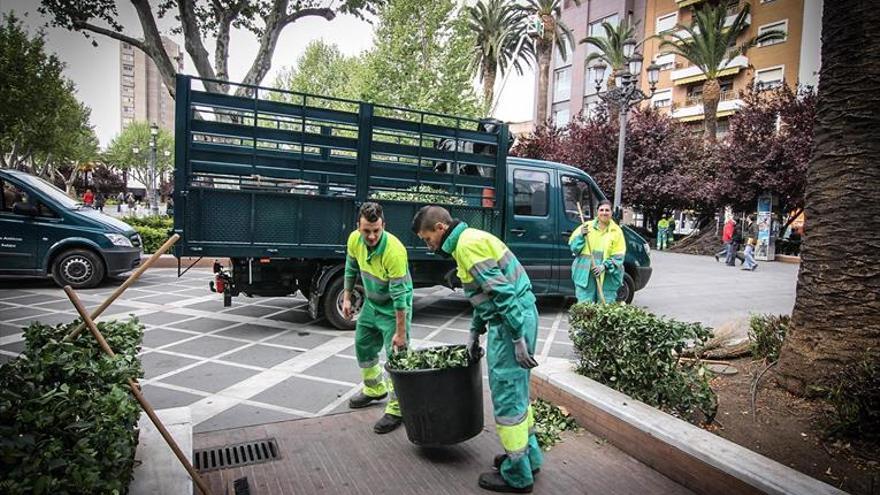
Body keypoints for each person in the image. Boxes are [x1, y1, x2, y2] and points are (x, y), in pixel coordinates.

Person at [412, 205, 541, 493]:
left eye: (426, 238)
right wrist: (475, 331)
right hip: (515, 318)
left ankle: (518, 475)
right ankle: (526, 456)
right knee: (518, 394)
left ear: (440, 229)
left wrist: (517, 337)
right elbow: (485, 295)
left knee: (507, 398)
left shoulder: (467, 246)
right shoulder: (468, 241)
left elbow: (503, 294)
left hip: (511, 322)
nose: (428, 245)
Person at [343, 202, 412, 434]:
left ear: (384, 226)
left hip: (395, 308)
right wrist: (346, 297)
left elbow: (400, 297)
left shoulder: (394, 250)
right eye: (366, 231)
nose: (371, 236)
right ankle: (374, 390)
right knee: (363, 345)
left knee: (396, 357)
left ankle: (398, 407)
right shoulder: (354, 240)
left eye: (376, 230)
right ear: (358, 227)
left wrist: (401, 333)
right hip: (373, 303)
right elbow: (351, 267)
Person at [569, 200, 626, 304]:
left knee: (605, 310)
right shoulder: (586, 227)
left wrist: (603, 267)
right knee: (585, 310)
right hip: (585, 277)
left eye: (607, 210)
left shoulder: (617, 232)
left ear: (611, 213)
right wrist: (581, 236)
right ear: (597, 212)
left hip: (608, 279)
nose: (604, 212)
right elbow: (574, 248)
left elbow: (619, 257)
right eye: (601, 210)